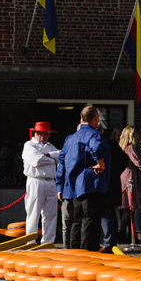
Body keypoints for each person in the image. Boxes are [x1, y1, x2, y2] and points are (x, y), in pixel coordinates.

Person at [56, 106, 109, 252]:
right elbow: (96, 147)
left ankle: (74, 252)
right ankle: (87, 254)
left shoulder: (70, 138)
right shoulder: (93, 135)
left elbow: (62, 160)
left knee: (76, 222)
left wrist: (59, 185)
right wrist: (100, 162)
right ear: (95, 119)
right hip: (89, 184)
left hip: (72, 186)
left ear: (81, 119)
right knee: (89, 221)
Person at [21, 121, 60, 244]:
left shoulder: (49, 146)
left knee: (51, 214)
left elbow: (61, 155)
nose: (47, 136)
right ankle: (31, 242)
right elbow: (36, 160)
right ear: (37, 133)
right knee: (33, 213)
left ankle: (48, 242)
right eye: (45, 134)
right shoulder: (29, 145)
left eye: (48, 134)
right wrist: (53, 159)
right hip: (35, 181)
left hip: (50, 181)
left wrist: (48, 155)